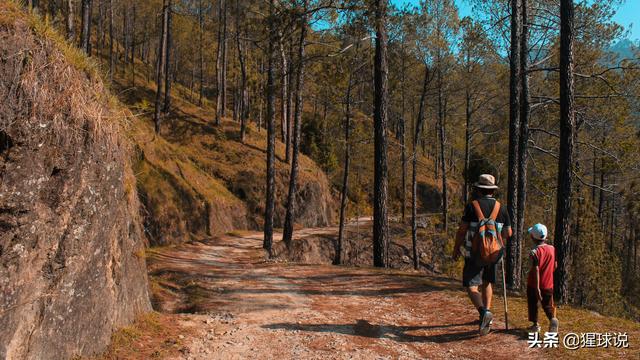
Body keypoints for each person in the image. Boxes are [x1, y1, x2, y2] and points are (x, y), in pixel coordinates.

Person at [453, 174, 512, 336]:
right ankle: (487, 315)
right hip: (494, 253)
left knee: (471, 286)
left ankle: (483, 313)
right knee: (487, 283)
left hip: (474, 253)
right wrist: (495, 239)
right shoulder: (502, 208)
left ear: (479, 189)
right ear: (493, 190)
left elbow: (462, 230)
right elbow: (508, 232)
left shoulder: (472, 206)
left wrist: (456, 248)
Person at [526, 223, 559, 333]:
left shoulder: (534, 252)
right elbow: (555, 266)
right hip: (548, 284)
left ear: (532, 237)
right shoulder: (552, 249)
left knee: (533, 304)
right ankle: (552, 319)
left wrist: (537, 288)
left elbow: (535, 270)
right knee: (548, 305)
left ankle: (535, 325)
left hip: (534, 284)